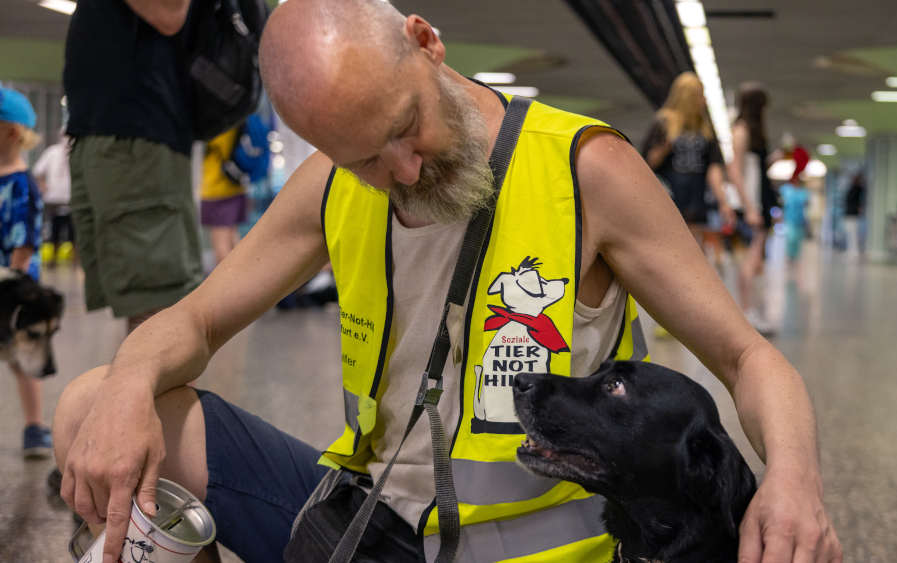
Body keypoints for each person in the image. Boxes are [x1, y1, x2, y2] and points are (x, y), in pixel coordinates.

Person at [53, 2, 842, 563]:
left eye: (403, 128)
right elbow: (188, 324)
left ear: (426, 42)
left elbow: (746, 357)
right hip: (371, 524)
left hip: (542, 549)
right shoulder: (332, 184)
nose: (400, 172)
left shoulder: (586, 170)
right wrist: (128, 383)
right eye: (363, 157)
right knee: (95, 407)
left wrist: (795, 480)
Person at [64, 0, 202, 334]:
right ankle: (146, 385)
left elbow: (171, 12)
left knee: (156, 304)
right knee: (137, 301)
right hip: (99, 130)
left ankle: (161, 385)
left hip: (135, 131)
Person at [0, 87, 50, 458]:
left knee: (22, 357)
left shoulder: (22, 184)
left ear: (11, 132)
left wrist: (14, 281)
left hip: (13, 286)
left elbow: (25, 238)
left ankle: (35, 426)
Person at [640, 71, 735, 246]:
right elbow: (647, 163)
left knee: (694, 244)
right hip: (670, 193)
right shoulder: (663, 122)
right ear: (688, 97)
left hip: (696, 195)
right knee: (671, 243)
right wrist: (665, 146)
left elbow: (713, 168)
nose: (704, 101)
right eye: (700, 96)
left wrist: (723, 202)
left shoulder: (705, 127)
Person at [729, 82, 779, 335]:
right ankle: (748, 313)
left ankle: (751, 311)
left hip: (759, 201)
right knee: (751, 260)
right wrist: (749, 208)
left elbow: (752, 168)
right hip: (752, 205)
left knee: (755, 261)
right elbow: (735, 171)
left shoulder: (752, 132)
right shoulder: (742, 131)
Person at [201, 127, 249, 267]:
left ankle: (233, 286)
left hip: (216, 187)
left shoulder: (216, 119)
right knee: (233, 239)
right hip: (236, 183)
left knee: (221, 249)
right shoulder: (237, 114)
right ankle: (242, 279)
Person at [32, 132, 75, 265]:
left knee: (73, 230)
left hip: (71, 199)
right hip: (53, 199)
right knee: (54, 229)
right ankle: (52, 260)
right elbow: (38, 171)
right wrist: (43, 187)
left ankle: (76, 260)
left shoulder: (76, 152)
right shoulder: (52, 152)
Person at [779, 147, 812, 276]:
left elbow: (806, 203)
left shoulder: (803, 191)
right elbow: (783, 202)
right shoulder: (786, 189)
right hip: (789, 218)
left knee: (798, 239)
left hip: (800, 219)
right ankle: (789, 257)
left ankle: (795, 259)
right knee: (791, 238)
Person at [843, 170, 866, 257]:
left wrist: (859, 208)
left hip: (853, 214)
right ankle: (851, 250)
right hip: (849, 213)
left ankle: (854, 251)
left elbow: (860, 201)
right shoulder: (852, 188)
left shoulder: (858, 189)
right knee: (850, 233)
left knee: (854, 233)